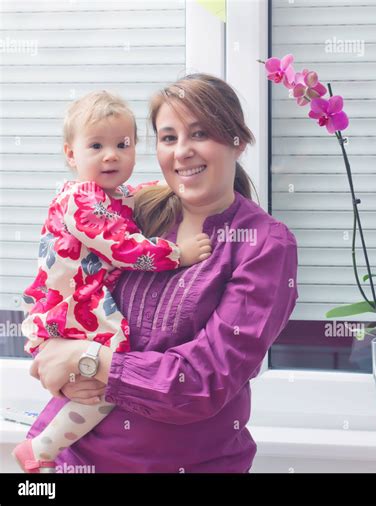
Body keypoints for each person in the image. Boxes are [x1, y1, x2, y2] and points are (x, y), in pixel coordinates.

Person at [25, 74, 298, 473]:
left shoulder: (264, 245)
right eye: (168, 138)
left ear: (238, 140)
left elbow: (204, 381)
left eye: (200, 133)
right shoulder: (137, 210)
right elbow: (68, 293)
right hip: (71, 459)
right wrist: (58, 368)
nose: (183, 151)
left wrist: (86, 359)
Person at [13, 91, 211, 473]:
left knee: (100, 380)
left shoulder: (115, 194)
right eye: (97, 145)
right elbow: (120, 246)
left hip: (82, 300)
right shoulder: (81, 198)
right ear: (71, 155)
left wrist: (185, 181)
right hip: (72, 304)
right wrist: (178, 254)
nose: (111, 155)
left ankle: (44, 445)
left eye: (123, 144)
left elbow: (143, 193)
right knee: (116, 371)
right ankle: (42, 447)